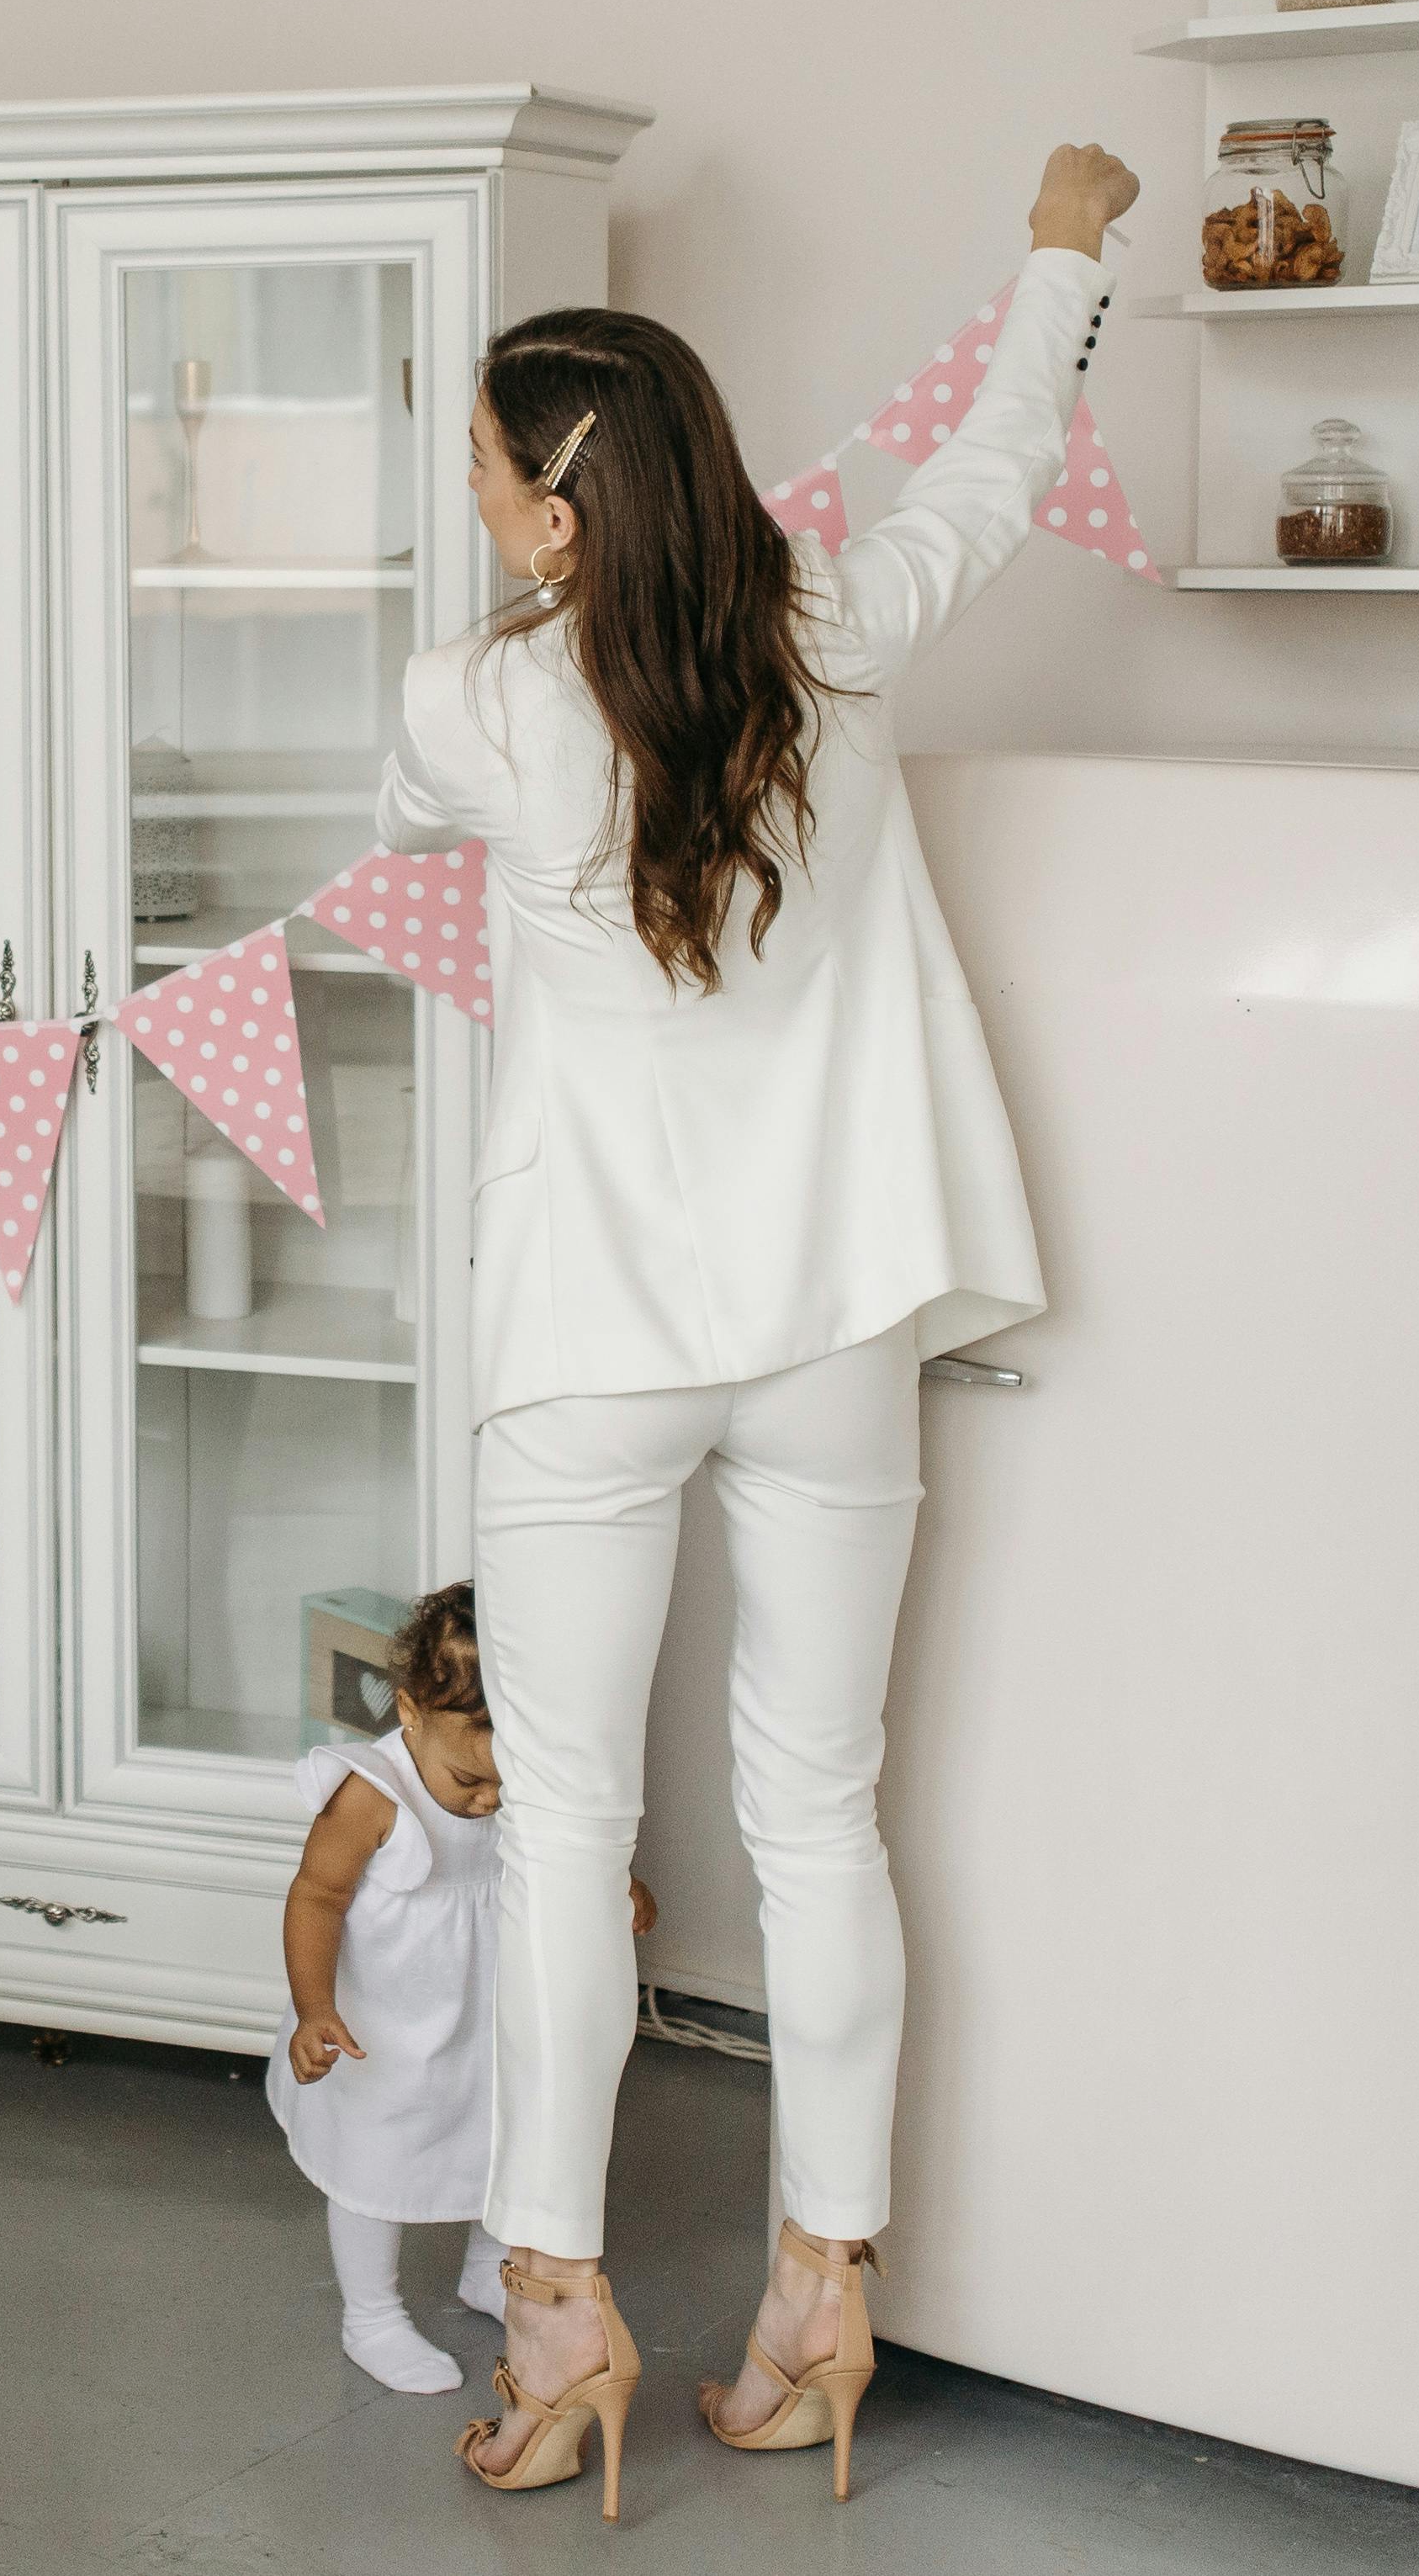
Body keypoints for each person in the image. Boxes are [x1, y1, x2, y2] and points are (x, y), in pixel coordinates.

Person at [382, 146, 1138, 2511]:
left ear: (542, 518)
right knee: (818, 1810)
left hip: (591, 1333)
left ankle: (555, 2309)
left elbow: (543, 674)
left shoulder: (472, 712)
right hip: (831, 1322)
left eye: (489, 474)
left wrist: (540, 595)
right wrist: (1053, 247)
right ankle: (819, 2299)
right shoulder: (843, 637)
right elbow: (991, 468)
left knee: (564, 1831)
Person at [272, 1586, 655, 2414]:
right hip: (386, 2026)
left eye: (503, 1787)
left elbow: (569, 1852)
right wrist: (313, 2008)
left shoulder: (521, 1771)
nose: (488, 1803)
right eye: (469, 1780)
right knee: (374, 2166)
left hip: (488, 2012)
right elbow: (316, 1898)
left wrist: (617, 1890)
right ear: (412, 1712)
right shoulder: (371, 1793)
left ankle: (489, 2267)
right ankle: (370, 2314)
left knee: (499, 2138)